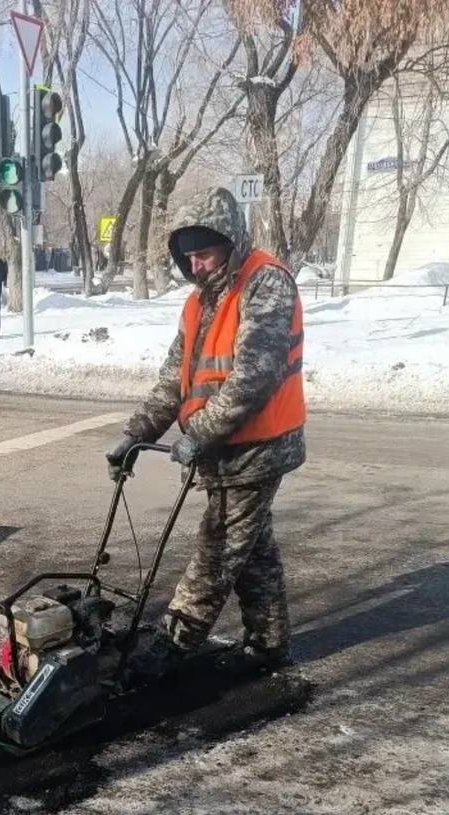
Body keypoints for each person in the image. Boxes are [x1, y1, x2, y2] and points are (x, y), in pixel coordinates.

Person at [105, 186, 306, 672]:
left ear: (231, 242)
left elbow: (253, 377)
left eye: (205, 254)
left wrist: (199, 434)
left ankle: (174, 645)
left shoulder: (265, 283)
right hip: (220, 449)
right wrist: (136, 435)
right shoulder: (200, 303)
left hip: (257, 447)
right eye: (188, 257)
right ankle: (269, 643)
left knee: (217, 549)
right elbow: (174, 380)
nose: (196, 266)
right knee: (251, 548)